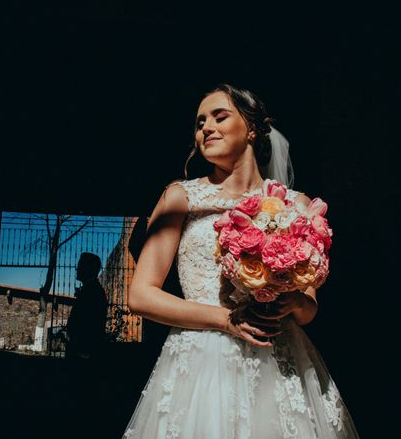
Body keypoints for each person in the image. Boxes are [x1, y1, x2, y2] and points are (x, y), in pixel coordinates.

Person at [123, 84, 359, 438]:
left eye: (220, 116)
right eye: (200, 122)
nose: (206, 127)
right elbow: (141, 296)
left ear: (252, 129)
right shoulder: (182, 197)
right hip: (204, 360)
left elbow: (308, 310)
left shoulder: (296, 207)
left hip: (279, 358)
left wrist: (294, 300)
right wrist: (225, 320)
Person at [65, 252, 108, 361]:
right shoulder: (90, 289)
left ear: (88, 268)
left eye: (80, 265)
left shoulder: (93, 292)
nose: (77, 269)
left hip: (84, 354)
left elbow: (91, 325)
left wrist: (81, 349)